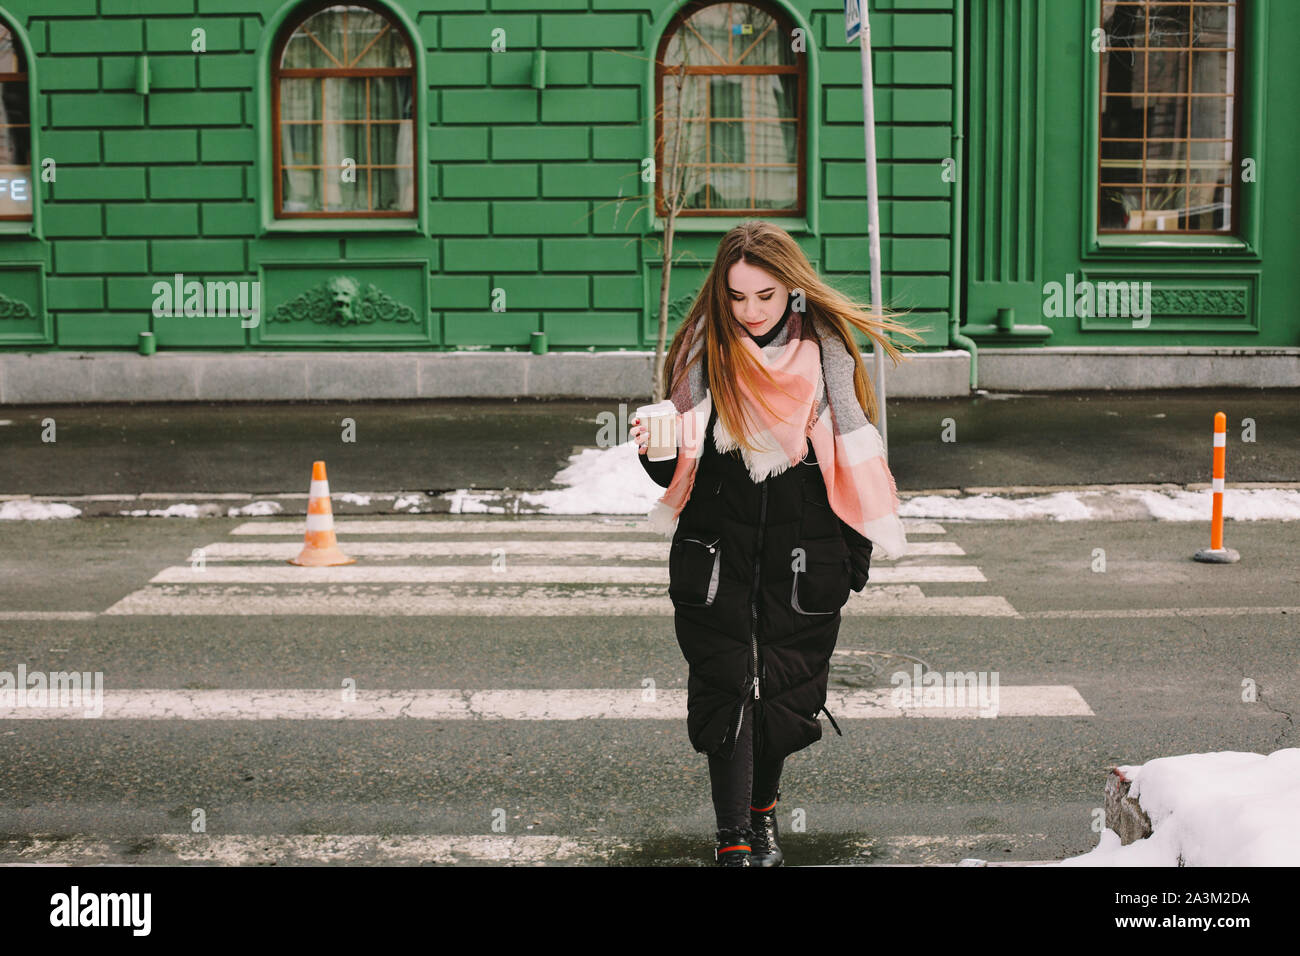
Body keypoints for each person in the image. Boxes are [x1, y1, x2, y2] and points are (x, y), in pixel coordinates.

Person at [631, 220, 923, 866]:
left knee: (784, 706)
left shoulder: (829, 356)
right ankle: (734, 837)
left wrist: (853, 557)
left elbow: (854, 455)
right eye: (736, 297)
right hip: (717, 560)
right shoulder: (703, 355)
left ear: (790, 290)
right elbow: (674, 465)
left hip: (804, 564)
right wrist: (654, 448)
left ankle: (763, 814)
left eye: (764, 296)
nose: (749, 311)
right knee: (727, 697)